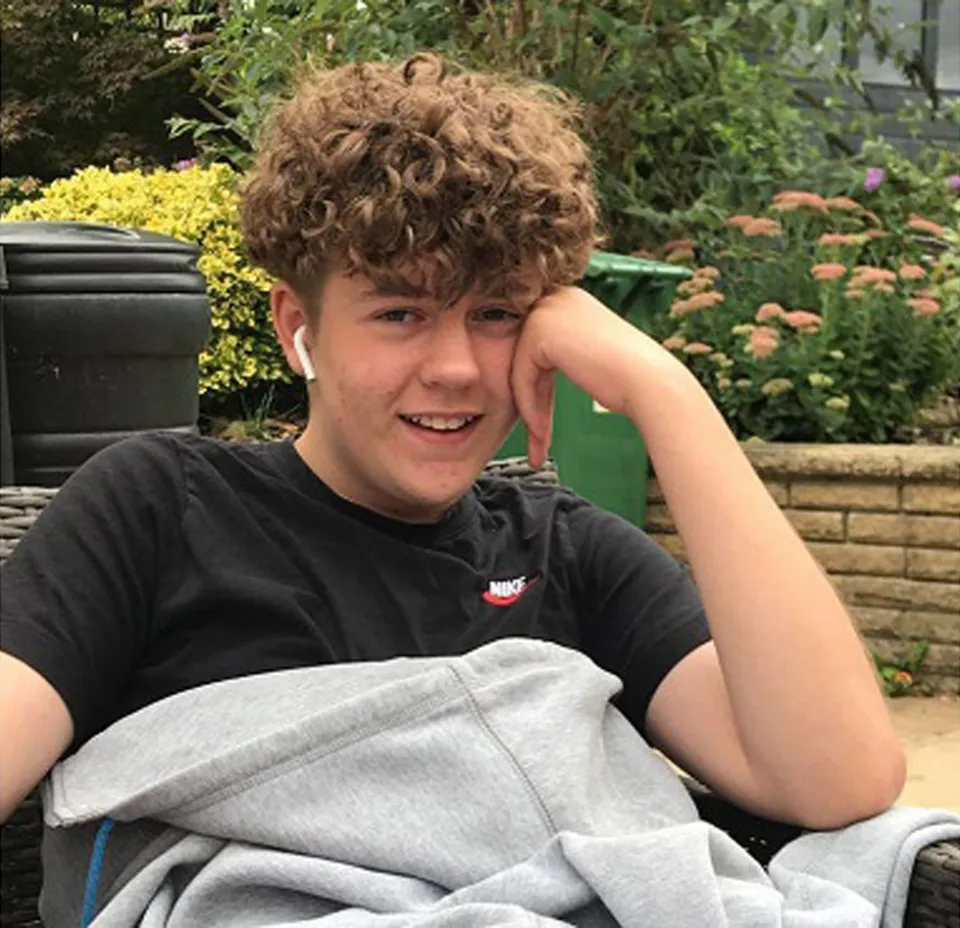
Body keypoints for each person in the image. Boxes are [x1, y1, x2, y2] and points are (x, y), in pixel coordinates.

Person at [0, 53, 903, 840]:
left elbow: (838, 779)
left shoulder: (565, 555)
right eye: (400, 313)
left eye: (497, 312)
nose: (457, 369)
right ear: (296, 325)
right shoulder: (159, 511)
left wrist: (665, 394)